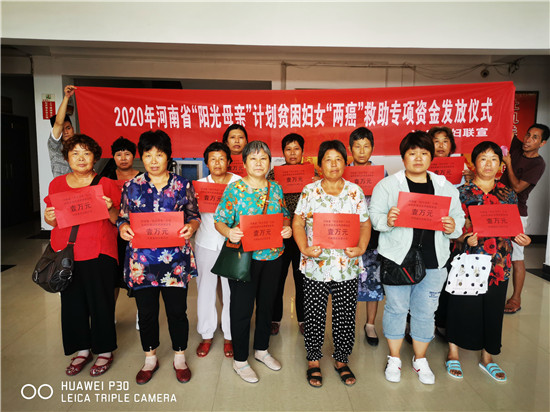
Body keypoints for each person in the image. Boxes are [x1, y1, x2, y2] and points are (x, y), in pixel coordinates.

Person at [369, 131, 464, 385]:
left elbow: (459, 220)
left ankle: (420, 359)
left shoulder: (444, 187)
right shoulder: (388, 185)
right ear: (403, 157)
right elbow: (374, 216)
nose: (418, 158)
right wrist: (387, 220)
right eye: (412, 153)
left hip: (434, 260)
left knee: (426, 311)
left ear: (431, 157)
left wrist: (452, 226)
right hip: (397, 259)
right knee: (396, 308)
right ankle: (394, 357)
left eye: (424, 153)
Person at [118, 130, 201, 384]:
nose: (153, 160)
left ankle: (180, 357)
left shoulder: (183, 185)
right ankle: (150, 358)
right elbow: (122, 217)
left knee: (177, 311)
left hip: (175, 262)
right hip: (142, 263)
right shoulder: (131, 186)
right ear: (141, 157)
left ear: (168, 156)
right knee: (146, 313)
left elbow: (194, 215)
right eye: (148, 155)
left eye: (159, 154)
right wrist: (123, 227)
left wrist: (191, 227)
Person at [445, 141, 531, 381]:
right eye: (483, 158)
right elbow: (451, 230)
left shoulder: (508, 194)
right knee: (460, 305)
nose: (489, 164)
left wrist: (522, 238)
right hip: (468, 259)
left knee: (493, 308)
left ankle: (488, 357)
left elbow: (512, 227)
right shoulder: (460, 193)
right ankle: (453, 352)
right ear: (474, 163)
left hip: (499, 262)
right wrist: (464, 238)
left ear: (500, 165)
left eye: (494, 159)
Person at [293, 140, 371, 388]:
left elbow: (364, 223)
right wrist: (304, 248)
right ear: (320, 164)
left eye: (338, 159)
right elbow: (298, 222)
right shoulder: (309, 191)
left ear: (345, 163)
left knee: (345, 315)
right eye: (328, 159)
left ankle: (341, 359)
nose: (334, 164)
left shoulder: (355, 191)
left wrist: (361, 248)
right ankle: (313, 359)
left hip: (346, 265)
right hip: (315, 264)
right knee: (314, 314)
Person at [214, 140, 292, 384]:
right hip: (244, 259)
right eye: (253, 159)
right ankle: (240, 360)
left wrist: (287, 228)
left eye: (263, 158)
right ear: (245, 163)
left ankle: (261, 350)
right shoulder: (234, 189)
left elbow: (285, 216)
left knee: (267, 305)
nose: (259, 163)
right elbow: (219, 220)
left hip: (273, 257)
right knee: (242, 309)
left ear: (269, 162)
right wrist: (229, 232)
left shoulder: (276, 188)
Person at [44, 134, 120, 377]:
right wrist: (49, 217)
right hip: (67, 254)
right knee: (72, 304)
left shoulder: (106, 184)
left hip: (99, 251)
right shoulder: (57, 185)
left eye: (86, 153)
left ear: (94, 158)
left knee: (101, 303)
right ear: (67, 157)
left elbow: (117, 220)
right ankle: (82, 349)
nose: (81, 158)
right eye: (75, 153)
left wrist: (110, 208)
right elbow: (52, 219)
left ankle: (105, 350)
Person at [194, 142, 240, 358]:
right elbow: (190, 214)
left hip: (232, 244)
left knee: (232, 292)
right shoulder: (199, 186)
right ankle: (206, 334)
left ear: (229, 161)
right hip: (206, 242)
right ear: (207, 163)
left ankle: (230, 335)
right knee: (205, 289)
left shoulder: (239, 184)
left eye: (221, 158)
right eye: (213, 159)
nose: (217, 163)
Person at [500, 124, 548, 314]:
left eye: (535, 137)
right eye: (528, 135)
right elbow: (504, 127)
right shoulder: (518, 147)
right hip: (496, 208)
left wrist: (508, 163)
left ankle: (516, 299)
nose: (528, 139)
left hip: (516, 213)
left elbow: (518, 187)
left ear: (542, 143)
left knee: (517, 256)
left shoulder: (538, 164)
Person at [267, 133, 308, 336]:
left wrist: (316, 182)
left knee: (302, 280)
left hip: (303, 235)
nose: (292, 153)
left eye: (296, 148)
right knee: (277, 279)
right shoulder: (273, 175)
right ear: (283, 152)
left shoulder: (312, 174)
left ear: (302, 151)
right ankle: (274, 319)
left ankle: (303, 319)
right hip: (280, 234)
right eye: (288, 149)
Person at [348, 127, 384, 347]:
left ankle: (370, 324)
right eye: (357, 146)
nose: (361, 151)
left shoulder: (382, 175)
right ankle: (348, 323)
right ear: (350, 149)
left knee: (373, 280)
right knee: (348, 281)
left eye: (366, 146)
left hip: (374, 236)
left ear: (372, 148)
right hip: (348, 235)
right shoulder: (342, 172)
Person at [100, 137, 140, 307]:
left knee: (138, 273)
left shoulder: (143, 178)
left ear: (134, 156)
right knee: (112, 277)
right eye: (118, 154)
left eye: (127, 154)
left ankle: (141, 314)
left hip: (136, 233)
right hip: (111, 233)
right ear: (113, 157)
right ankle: (110, 314)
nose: (123, 158)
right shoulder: (104, 179)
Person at [48, 85, 76, 177]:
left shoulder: (80, 146)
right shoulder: (54, 147)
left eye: (68, 128)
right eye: (62, 130)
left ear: (73, 129)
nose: (66, 132)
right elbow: (58, 123)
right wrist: (66, 97)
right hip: (61, 185)